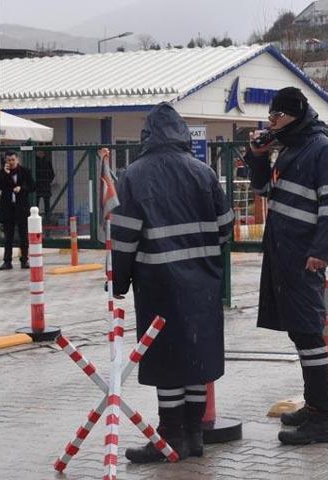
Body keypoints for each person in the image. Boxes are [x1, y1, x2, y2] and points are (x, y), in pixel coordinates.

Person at [111, 103, 233, 463]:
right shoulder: (203, 172)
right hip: (203, 284)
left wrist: (119, 281)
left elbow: (124, 237)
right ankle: (194, 436)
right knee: (197, 359)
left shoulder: (133, 176)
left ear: (147, 135)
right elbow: (226, 226)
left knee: (166, 362)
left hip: (158, 282)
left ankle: (170, 437)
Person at [243, 87, 328, 445]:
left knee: (308, 332)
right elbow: (263, 190)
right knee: (299, 332)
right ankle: (313, 406)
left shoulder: (322, 150)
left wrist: (321, 250)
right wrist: (258, 156)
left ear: (296, 115)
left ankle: (321, 420)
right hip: (283, 253)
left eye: (278, 116)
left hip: (304, 255)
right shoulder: (291, 149)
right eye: (270, 116)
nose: (272, 122)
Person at [0, 150, 34, 270]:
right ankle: (7, 261)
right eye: (8, 160)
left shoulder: (25, 171)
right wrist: (6, 174)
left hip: (21, 207)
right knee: (8, 236)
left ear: (17, 160)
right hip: (8, 207)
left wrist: (21, 188)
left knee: (23, 235)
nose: (11, 162)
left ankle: (24, 259)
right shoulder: (1, 173)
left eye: (13, 160)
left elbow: (32, 186)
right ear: (5, 161)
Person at [34, 149, 55, 223]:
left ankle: (47, 219)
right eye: (39, 152)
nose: (40, 154)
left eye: (42, 153)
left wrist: (48, 181)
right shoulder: (34, 162)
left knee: (47, 204)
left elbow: (52, 174)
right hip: (37, 186)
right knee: (36, 203)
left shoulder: (47, 162)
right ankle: (36, 218)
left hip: (45, 185)